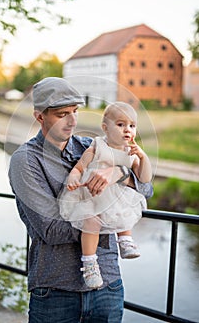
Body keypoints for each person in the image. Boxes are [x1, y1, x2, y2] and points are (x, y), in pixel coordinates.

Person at [8, 77, 153, 323]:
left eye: (75, 111)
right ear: (40, 116)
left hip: (108, 284)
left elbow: (145, 188)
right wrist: (107, 222)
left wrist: (116, 173)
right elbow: (51, 229)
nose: (72, 120)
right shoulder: (26, 161)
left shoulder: (91, 145)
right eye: (62, 114)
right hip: (56, 289)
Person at [59, 102, 152, 289]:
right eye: (120, 124)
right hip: (92, 196)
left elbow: (144, 179)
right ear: (105, 128)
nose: (127, 130)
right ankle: (90, 263)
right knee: (91, 222)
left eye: (132, 126)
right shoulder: (97, 145)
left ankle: (125, 240)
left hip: (117, 197)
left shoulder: (131, 153)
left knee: (124, 212)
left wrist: (143, 158)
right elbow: (79, 167)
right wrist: (73, 178)